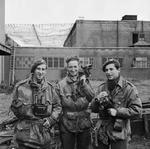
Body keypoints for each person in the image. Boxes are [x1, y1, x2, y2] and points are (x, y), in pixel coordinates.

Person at [10, 58, 62, 149]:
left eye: (43, 69)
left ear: (45, 71)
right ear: (33, 70)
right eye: (38, 69)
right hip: (24, 135)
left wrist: (51, 120)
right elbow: (13, 108)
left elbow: (58, 107)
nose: (40, 72)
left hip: (44, 134)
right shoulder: (20, 87)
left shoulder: (50, 88)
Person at [91, 59, 142, 149]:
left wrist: (117, 112)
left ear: (118, 70)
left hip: (119, 131)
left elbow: (137, 111)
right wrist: (96, 99)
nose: (108, 72)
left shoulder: (129, 88)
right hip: (102, 131)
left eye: (111, 69)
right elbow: (93, 109)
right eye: (106, 70)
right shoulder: (101, 87)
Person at [56, 56, 95, 149]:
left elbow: (92, 97)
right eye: (70, 67)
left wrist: (84, 84)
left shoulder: (86, 82)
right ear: (67, 68)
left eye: (75, 67)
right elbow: (57, 105)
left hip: (84, 123)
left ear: (79, 67)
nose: (73, 70)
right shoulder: (60, 85)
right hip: (66, 124)